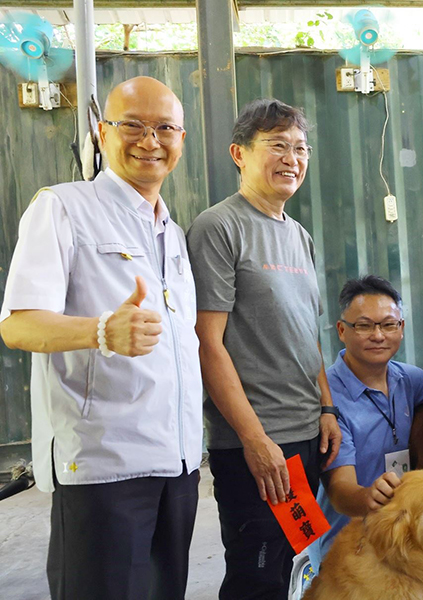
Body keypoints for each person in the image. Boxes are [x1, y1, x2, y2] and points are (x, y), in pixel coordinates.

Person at [0, 76, 202, 600]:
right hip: (104, 466)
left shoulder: (172, 232)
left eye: (165, 128)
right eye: (131, 125)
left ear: (181, 138)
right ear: (100, 130)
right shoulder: (63, 207)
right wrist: (99, 331)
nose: (149, 140)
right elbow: (17, 323)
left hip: (177, 464)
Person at [186, 98, 341, 600]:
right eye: (277, 145)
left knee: (294, 564)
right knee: (254, 576)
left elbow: (306, 332)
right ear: (239, 153)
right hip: (254, 445)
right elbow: (207, 343)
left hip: (305, 438)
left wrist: (326, 406)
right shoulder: (218, 227)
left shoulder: (299, 236)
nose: (291, 158)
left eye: (300, 148)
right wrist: (254, 441)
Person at [307, 275, 423, 571]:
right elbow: (340, 493)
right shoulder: (329, 399)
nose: (378, 335)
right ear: (341, 331)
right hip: (351, 547)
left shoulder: (406, 378)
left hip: (402, 540)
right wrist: (370, 496)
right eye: (364, 325)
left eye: (388, 324)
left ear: (401, 329)